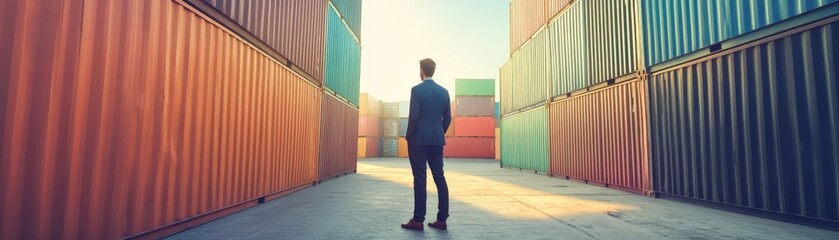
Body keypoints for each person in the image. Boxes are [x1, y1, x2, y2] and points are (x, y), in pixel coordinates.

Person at [401, 58, 451, 231]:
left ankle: (418, 220)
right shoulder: (444, 92)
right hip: (437, 141)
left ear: (421, 70)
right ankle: (442, 220)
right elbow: (448, 119)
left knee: (420, 179)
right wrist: (438, 133)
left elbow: (414, 117)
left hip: (419, 142)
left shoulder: (416, 90)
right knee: (440, 178)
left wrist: (408, 137)